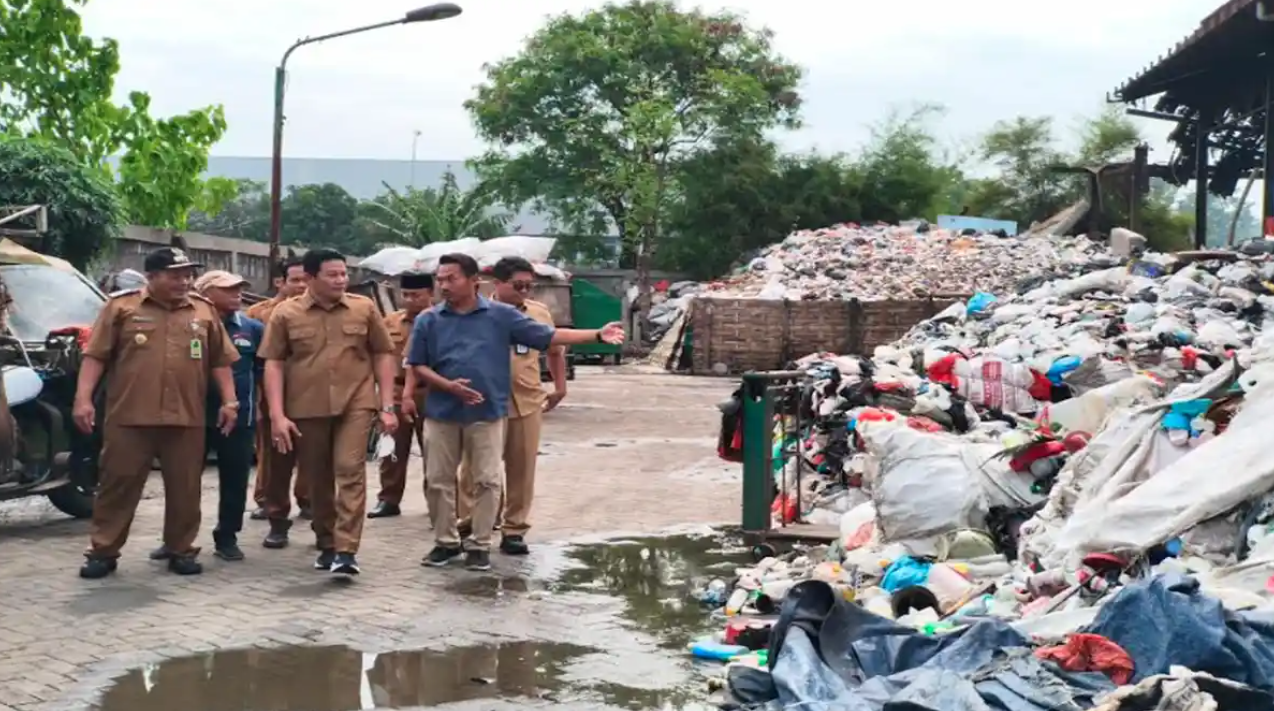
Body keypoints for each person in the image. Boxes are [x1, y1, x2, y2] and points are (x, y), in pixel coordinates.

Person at [406, 253, 624, 571]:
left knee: (488, 480)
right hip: (442, 412)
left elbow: (548, 337)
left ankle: (480, 545)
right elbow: (417, 364)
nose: (444, 285)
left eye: (451, 278)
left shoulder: (501, 316)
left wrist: (595, 335)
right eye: (440, 279)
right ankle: (446, 542)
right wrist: (447, 386)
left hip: (488, 411)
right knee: (439, 480)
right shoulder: (429, 319)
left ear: (472, 281)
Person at [73, 247, 240, 579]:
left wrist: (229, 401)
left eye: (187, 275)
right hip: (129, 416)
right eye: (175, 275)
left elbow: (220, 360)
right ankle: (103, 552)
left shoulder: (203, 311)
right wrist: (83, 399)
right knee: (117, 485)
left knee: (185, 488)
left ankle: (181, 549)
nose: (184, 281)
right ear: (152, 276)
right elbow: (96, 356)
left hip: (186, 416)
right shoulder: (121, 307)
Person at [260, 248, 399, 576]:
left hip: (357, 402)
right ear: (309, 278)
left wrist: (387, 405)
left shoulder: (363, 309)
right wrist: (278, 416)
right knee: (318, 479)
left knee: (349, 469)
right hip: (306, 407)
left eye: (343, 274)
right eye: (332, 275)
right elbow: (274, 364)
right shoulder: (285, 314)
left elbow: (382, 354)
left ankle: (347, 549)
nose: (341, 280)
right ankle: (327, 543)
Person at [145, 270, 263, 562]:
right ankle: (175, 539)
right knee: (182, 480)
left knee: (235, 477)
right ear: (205, 293)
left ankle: (227, 536)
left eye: (239, 289)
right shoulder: (186, 324)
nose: (237, 293)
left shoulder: (252, 328)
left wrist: (262, 409)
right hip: (192, 415)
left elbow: (263, 371)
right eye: (228, 289)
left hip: (239, 416)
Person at [456, 257, 567, 555]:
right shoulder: (474, 313)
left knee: (521, 468)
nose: (525, 291)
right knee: (476, 469)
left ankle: (514, 529)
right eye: (518, 285)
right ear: (498, 284)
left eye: (530, 286)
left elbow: (555, 351)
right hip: (483, 401)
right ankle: (472, 522)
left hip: (526, 401)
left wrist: (559, 386)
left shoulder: (539, 313)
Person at [246, 257, 310, 522]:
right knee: (271, 452)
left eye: (306, 280)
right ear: (279, 282)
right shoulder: (258, 314)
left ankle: (308, 500)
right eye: (295, 280)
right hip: (270, 394)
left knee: (310, 451)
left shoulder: (320, 312)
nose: (301, 286)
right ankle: (267, 501)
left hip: (308, 393)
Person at [368, 272, 434, 519]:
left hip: (431, 392)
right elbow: (378, 355)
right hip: (395, 391)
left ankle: (437, 501)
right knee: (391, 448)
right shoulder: (391, 322)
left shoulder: (442, 319)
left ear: (430, 293)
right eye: (405, 295)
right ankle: (388, 499)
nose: (409, 300)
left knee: (435, 451)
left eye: (416, 295)